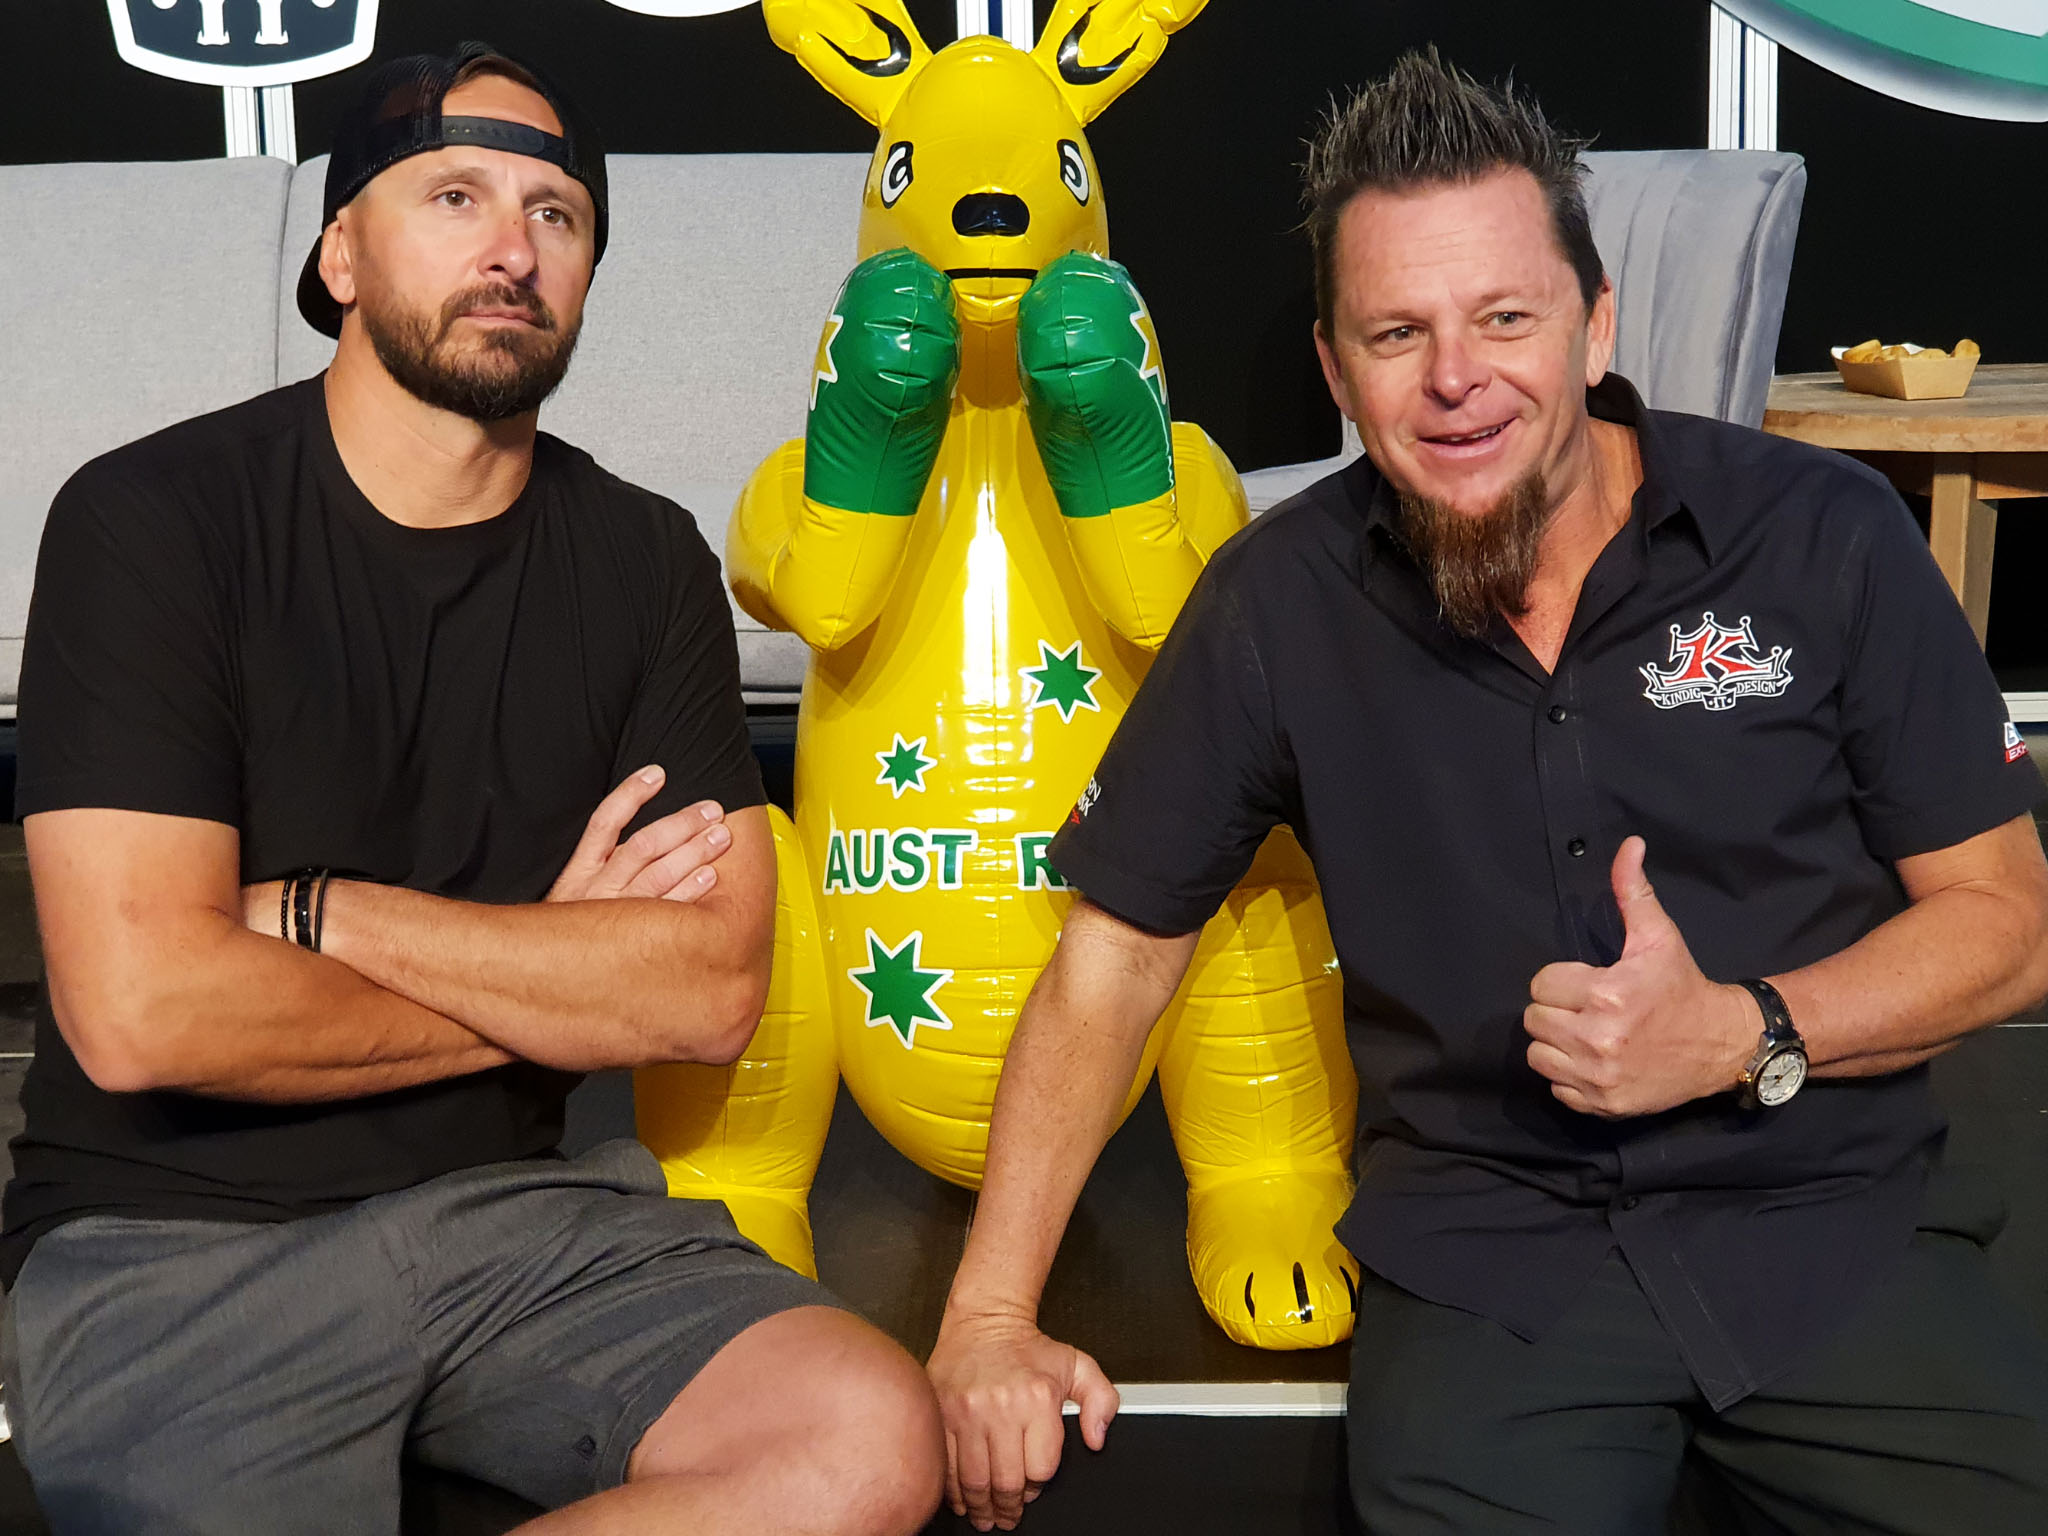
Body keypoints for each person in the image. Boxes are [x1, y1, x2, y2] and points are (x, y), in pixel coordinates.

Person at [926, 49, 2048, 1535]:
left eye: (1505, 318)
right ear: (1338, 371)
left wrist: (1741, 1031)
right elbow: (1114, 961)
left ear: (1595, 326)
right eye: (1398, 333)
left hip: (1831, 1224)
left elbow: (2006, 921)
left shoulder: (1820, 532)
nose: (1455, 377)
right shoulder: (1276, 602)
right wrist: (987, 1318)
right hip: (1491, 1266)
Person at [0, 42, 942, 1536]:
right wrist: (556, 972)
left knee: (863, 1444)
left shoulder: (645, 560)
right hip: (173, 1248)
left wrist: (325, 913)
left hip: (520, 1223)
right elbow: (143, 1014)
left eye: (556, 215)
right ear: (340, 254)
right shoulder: (151, 519)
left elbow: (706, 993)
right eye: (455, 197)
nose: (514, 249)